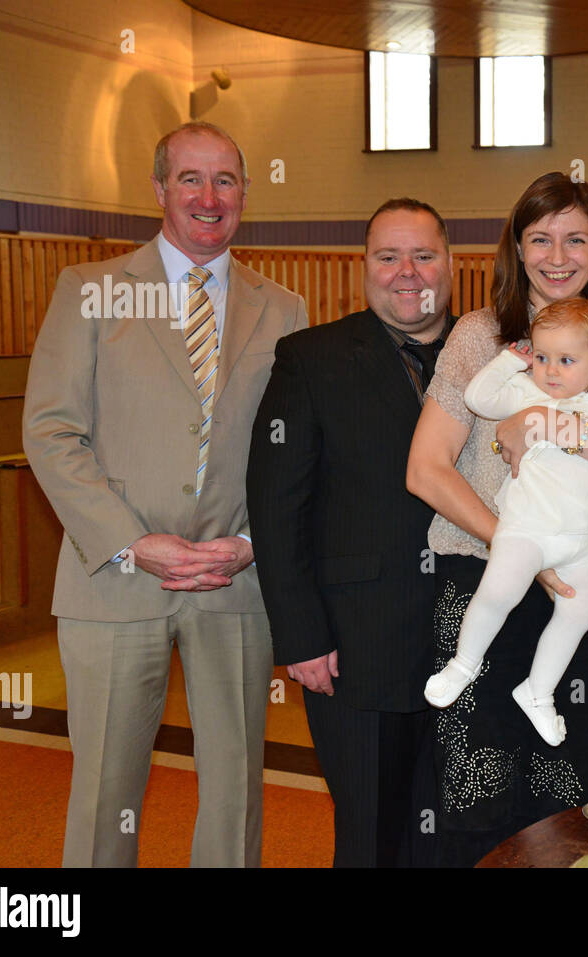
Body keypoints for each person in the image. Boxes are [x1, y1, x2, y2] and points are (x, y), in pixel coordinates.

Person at [22, 121, 308, 866]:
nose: (209, 197)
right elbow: (52, 432)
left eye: (225, 180)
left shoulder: (285, 309)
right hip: (114, 582)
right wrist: (133, 540)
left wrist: (250, 544)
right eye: (190, 178)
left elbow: (293, 451)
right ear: (158, 189)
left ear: (246, 192)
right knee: (104, 794)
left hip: (232, 580)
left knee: (237, 789)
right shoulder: (90, 290)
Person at [406, 172, 588, 866]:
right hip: (487, 574)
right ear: (517, 250)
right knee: (476, 785)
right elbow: (426, 467)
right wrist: (519, 551)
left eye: (576, 238)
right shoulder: (483, 338)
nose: (559, 254)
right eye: (541, 238)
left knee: (568, 792)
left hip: (581, 591)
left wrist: (552, 426)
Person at [246, 198, 454, 867]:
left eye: (423, 254)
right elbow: (277, 507)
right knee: (371, 837)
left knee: (455, 832)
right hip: (359, 646)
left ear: (451, 263)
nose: (406, 271)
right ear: (363, 267)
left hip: (476, 639)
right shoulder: (312, 358)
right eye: (387, 256)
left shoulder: (494, 359)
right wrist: (303, 636)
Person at [425, 298, 588, 746]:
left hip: (583, 542)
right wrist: (506, 362)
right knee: (498, 592)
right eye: (541, 356)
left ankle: (538, 691)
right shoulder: (525, 389)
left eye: (566, 360)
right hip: (525, 532)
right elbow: (478, 398)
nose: (551, 370)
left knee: (579, 615)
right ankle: (463, 663)